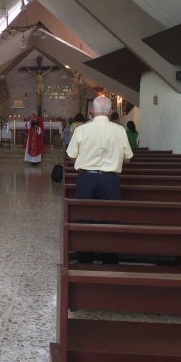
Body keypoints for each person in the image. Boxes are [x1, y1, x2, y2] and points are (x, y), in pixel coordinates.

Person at [67, 96, 133, 264]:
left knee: (84, 219)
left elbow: (72, 156)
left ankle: (85, 259)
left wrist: (88, 159)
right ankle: (109, 260)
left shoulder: (81, 130)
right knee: (110, 220)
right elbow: (128, 158)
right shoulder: (119, 130)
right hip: (110, 180)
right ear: (110, 112)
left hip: (86, 178)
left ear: (92, 111)